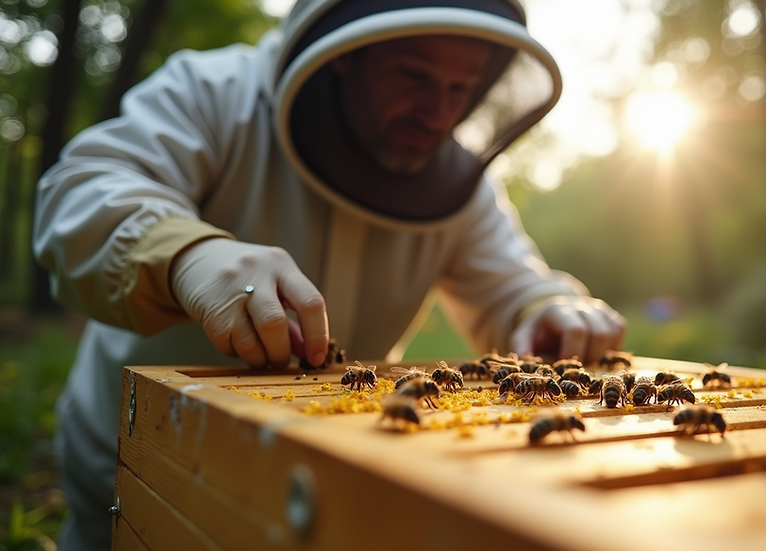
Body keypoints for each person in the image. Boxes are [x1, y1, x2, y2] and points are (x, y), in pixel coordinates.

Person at [33, 0, 626, 549]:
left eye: (461, 87)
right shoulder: (215, 93)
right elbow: (80, 192)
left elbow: (512, 285)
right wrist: (187, 254)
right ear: (344, 52)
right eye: (414, 75)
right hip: (136, 469)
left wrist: (544, 308)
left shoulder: (458, 185)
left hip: (327, 490)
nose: (440, 111)